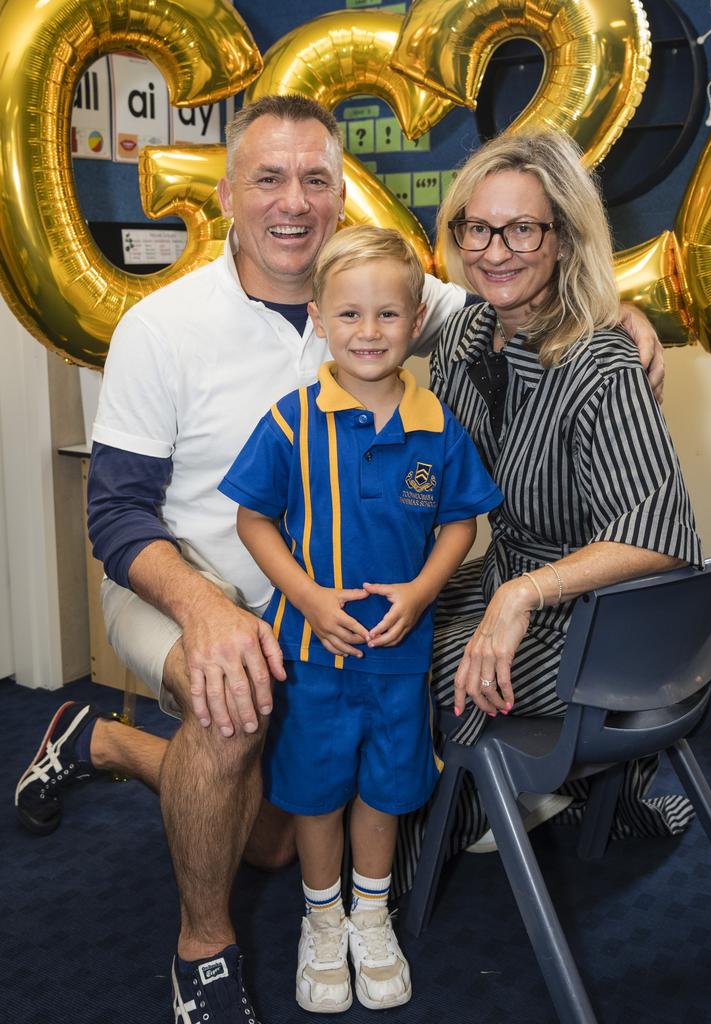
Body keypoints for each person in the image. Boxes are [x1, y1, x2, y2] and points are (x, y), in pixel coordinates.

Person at [13, 95, 664, 1022]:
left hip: (344, 619)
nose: (293, 201)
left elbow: (518, 288)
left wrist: (622, 314)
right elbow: (115, 517)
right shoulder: (160, 328)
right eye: (268, 178)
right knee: (234, 708)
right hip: (185, 585)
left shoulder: (385, 287)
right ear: (228, 193)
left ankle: (100, 742)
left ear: (340, 190)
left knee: (281, 834)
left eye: (316, 178)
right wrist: (209, 612)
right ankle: (204, 946)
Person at [391, 128, 703, 889]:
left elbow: (662, 534)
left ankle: (404, 869)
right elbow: (444, 481)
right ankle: (465, 812)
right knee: (376, 635)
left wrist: (520, 594)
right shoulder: (466, 334)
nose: (495, 250)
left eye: (522, 228)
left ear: (561, 237)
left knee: (426, 669)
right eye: (477, 227)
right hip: (512, 575)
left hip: (612, 617)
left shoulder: (601, 357)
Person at [220, 224, 501, 1013]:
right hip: (311, 652)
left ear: (416, 321)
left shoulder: (437, 424)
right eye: (349, 315)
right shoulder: (289, 421)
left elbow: (459, 524)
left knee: (383, 787)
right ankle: (322, 920)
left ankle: (370, 916)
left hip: (399, 653)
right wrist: (306, 598)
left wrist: (420, 593)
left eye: (387, 315)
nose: (369, 332)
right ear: (317, 318)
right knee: (316, 791)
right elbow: (253, 521)